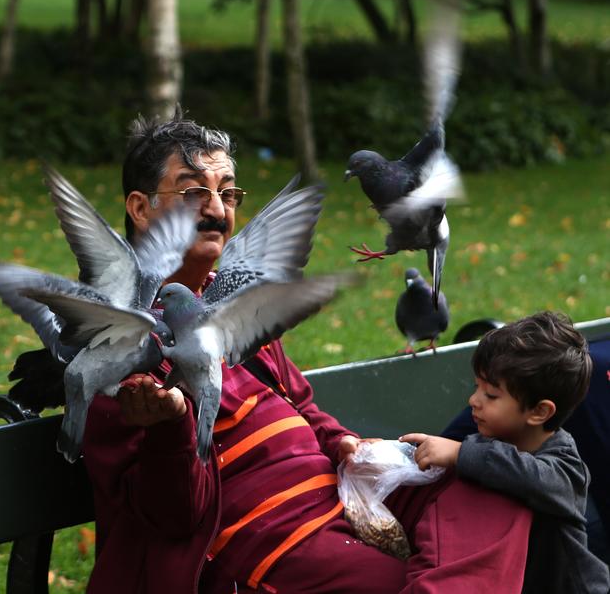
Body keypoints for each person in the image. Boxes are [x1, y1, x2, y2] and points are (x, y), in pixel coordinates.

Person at [80, 109, 533, 594]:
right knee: (393, 582)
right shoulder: (116, 346)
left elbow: (301, 406)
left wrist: (341, 442)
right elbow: (171, 519)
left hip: (339, 496)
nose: (217, 210)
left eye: (228, 193)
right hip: (260, 541)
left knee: (495, 491)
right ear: (140, 207)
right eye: (193, 192)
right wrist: (169, 427)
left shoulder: (231, 301)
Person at [402, 312, 610, 593]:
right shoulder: (492, 435)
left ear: (539, 411)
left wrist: (460, 453)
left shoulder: (564, 466)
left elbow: (530, 476)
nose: (473, 400)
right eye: (477, 387)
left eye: (491, 395)